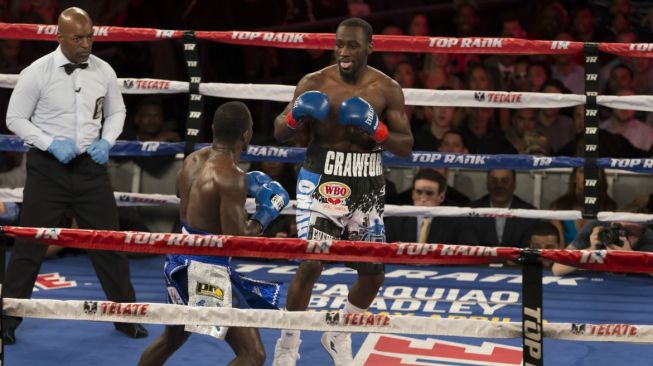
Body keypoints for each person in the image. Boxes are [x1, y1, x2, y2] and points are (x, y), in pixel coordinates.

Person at [271, 17, 413, 366]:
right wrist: (294, 119)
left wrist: (377, 131)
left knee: (373, 273)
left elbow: (406, 146)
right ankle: (288, 344)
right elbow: (278, 133)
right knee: (311, 262)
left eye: (352, 45)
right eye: (339, 44)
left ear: (370, 47)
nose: (344, 52)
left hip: (366, 184)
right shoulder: (314, 82)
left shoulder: (387, 89)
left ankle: (339, 334)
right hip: (320, 179)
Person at [3, 7, 147, 344]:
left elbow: (117, 111)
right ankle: (6, 319)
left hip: (90, 170)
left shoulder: (104, 70)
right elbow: (15, 118)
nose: (86, 44)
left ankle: (125, 314)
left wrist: (107, 141)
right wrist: (50, 143)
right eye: (78, 38)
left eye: (89, 37)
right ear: (60, 37)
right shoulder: (36, 72)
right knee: (29, 244)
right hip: (47, 170)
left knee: (108, 243)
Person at [138, 101, 289, 366]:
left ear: (212, 128)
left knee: (172, 338)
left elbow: (182, 195)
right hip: (203, 271)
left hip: (178, 259)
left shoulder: (193, 160)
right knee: (253, 355)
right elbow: (239, 240)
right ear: (246, 134)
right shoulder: (230, 176)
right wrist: (268, 212)